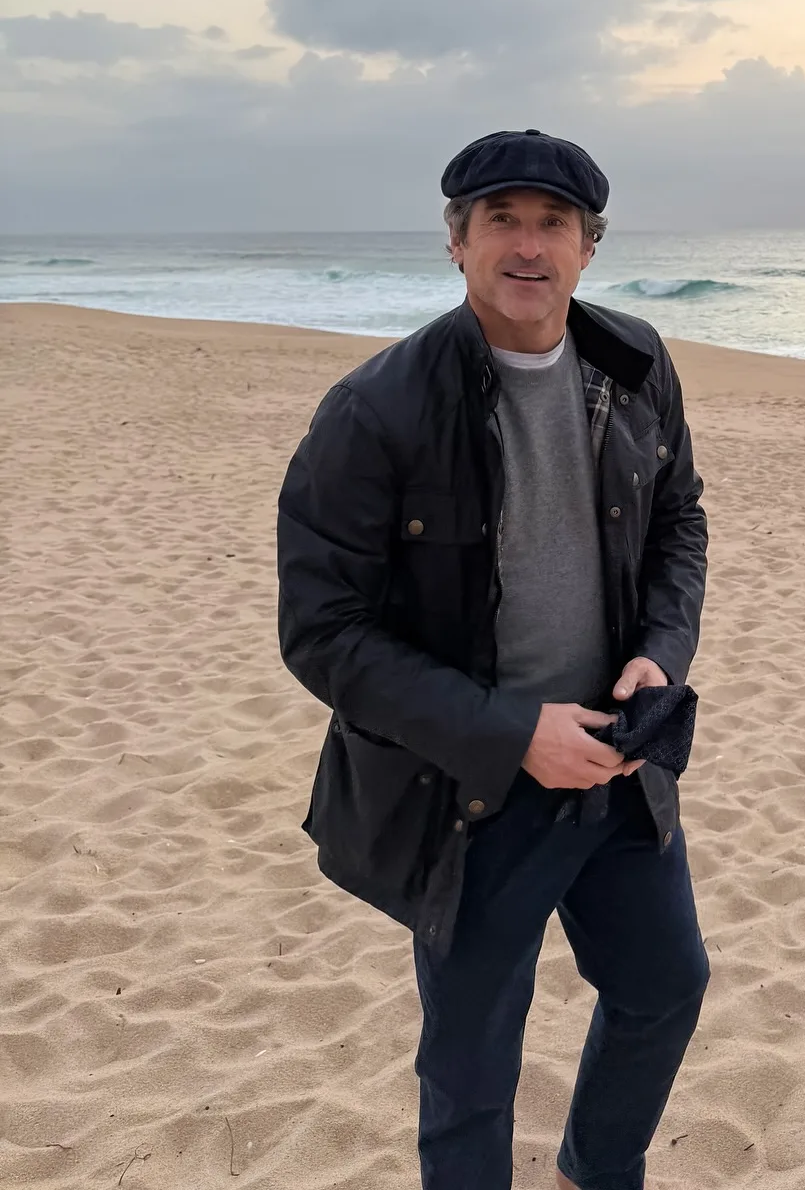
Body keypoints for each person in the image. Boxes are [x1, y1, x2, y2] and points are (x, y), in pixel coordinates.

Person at [276, 129, 709, 1190]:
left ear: (588, 247)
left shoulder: (636, 364)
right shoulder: (378, 409)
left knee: (664, 987)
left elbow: (678, 524)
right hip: (471, 789)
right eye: (501, 221)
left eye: (552, 223)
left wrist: (659, 654)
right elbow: (323, 631)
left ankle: (594, 1172)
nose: (528, 245)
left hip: (618, 763)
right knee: (471, 1066)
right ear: (456, 242)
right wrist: (513, 733)